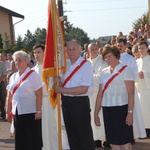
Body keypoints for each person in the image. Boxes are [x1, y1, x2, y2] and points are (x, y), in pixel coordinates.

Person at [55, 39, 95, 150]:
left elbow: (83, 89)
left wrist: (61, 90)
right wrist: (58, 81)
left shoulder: (86, 66)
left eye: (74, 49)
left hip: (80, 103)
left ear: (80, 50)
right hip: (67, 103)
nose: (71, 52)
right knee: (72, 136)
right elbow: (64, 84)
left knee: (84, 136)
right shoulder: (64, 65)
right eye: (69, 49)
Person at [94, 45, 134, 150]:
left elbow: (131, 93)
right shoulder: (103, 72)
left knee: (125, 141)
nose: (108, 59)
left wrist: (130, 113)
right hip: (108, 109)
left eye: (110, 56)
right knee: (113, 141)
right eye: (106, 57)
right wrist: (96, 113)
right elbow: (100, 94)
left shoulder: (126, 69)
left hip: (122, 108)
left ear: (116, 55)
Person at [6, 50, 43, 150]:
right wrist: (8, 110)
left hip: (31, 112)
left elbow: (39, 94)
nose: (17, 62)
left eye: (20, 60)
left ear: (26, 61)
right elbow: (9, 95)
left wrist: (38, 111)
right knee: (20, 139)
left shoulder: (33, 75)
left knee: (32, 140)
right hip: (17, 112)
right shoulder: (13, 77)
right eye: (15, 60)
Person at [33, 44, 58, 150]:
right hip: (36, 103)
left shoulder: (49, 69)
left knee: (50, 128)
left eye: (38, 52)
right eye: (34, 52)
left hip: (48, 102)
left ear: (44, 53)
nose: (36, 55)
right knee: (40, 130)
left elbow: (51, 87)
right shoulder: (32, 70)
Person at [87, 43, 109, 148]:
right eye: (92, 49)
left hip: (99, 93)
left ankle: (105, 139)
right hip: (89, 93)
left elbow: (102, 77)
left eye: (96, 49)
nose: (94, 51)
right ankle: (95, 138)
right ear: (88, 51)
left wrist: (90, 77)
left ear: (98, 50)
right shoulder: (86, 62)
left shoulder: (103, 62)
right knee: (92, 116)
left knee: (101, 116)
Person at [136, 41, 150, 137]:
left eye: (143, 48)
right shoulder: (137, 61)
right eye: (139, 48)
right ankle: (144, 130)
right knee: (142, 110)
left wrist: (145, 75)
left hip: (148, 89)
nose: (141, 50)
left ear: (147, 48)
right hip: (140, 88)